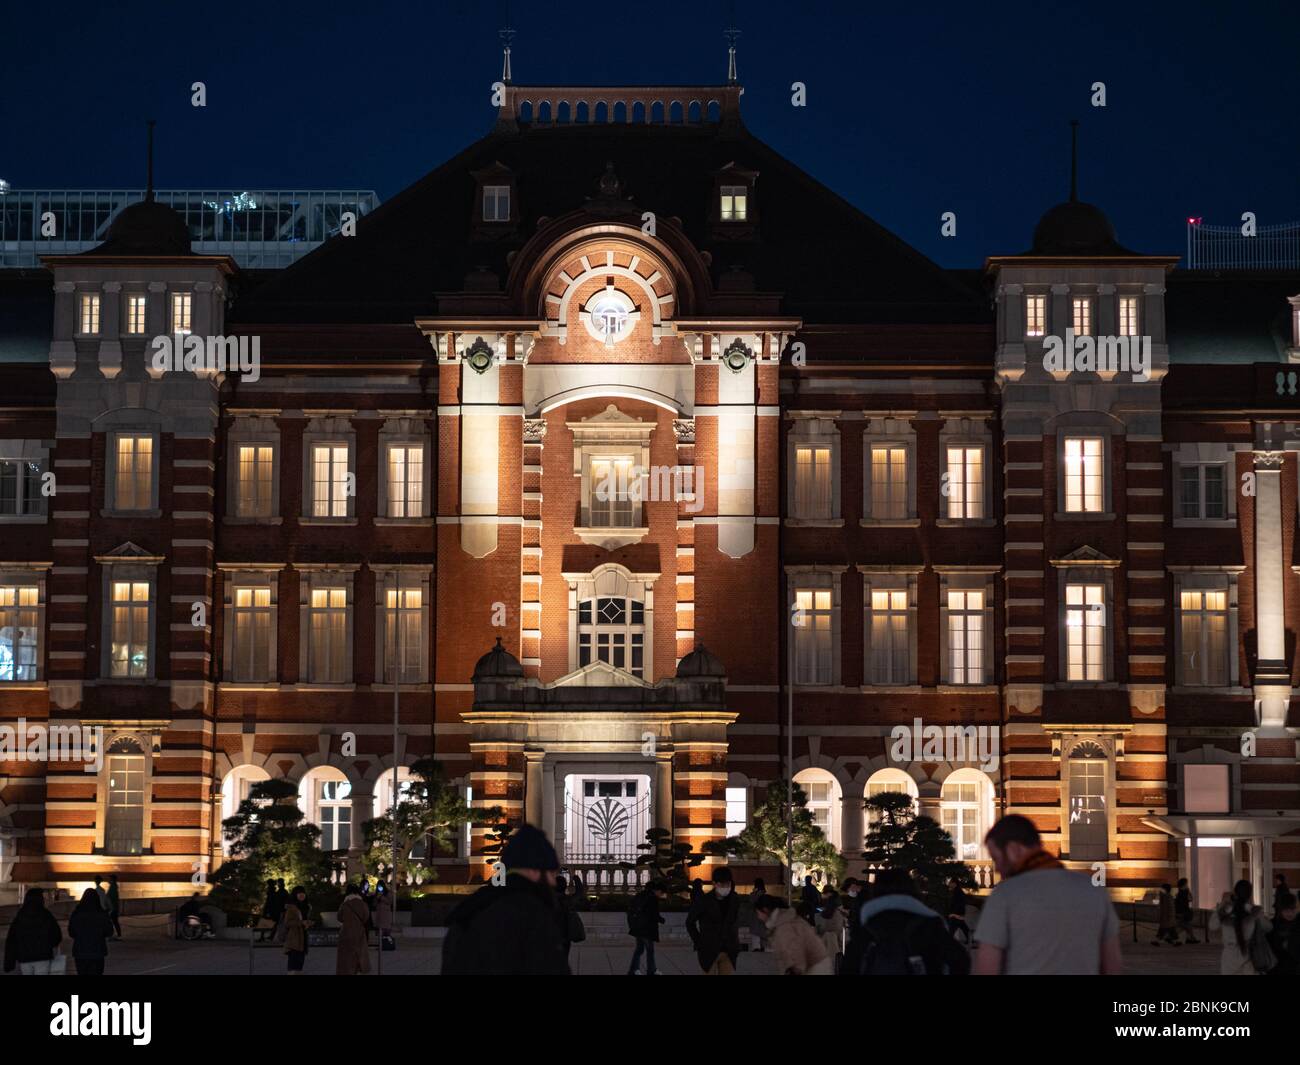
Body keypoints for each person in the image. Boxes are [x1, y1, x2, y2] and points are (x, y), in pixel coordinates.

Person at [973, 814, 1121, 975]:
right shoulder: (1094, 891)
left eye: (996, 858)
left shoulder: (1004, 895)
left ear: (1013, 849)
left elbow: (986, 967)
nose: (997, 868)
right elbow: (1112, 965)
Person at [441, 823, 570, 975]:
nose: (554, 881)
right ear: (534, 870)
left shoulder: (471, 908)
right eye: (552, 873)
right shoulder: (533, 915)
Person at [857, 870, 970, 975]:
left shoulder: (868, 923)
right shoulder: (929, 922)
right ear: (912, 888)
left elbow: (851, 963)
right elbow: (960, 959)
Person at [752, 895, 833, 975]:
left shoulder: (784, 925)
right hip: (812, 965)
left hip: (814, 967)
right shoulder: (781, 922)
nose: (758, 917)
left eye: (758, 913)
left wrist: (795, 970)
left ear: (765, 910)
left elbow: (795, 952)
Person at [685, 867, 742, 974]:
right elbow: (689, 922)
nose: (725, 887)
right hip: (709, 949)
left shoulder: (734, 899)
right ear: (714, 884)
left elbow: (734, 921)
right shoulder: (704, 900)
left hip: (729, 949)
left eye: (728, 884)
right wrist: (699, 942)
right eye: (722, 884)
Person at [1209, 880, 1271, 976]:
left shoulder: (1225, 910)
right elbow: (1268, 927)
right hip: (1248, 957)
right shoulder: (1253, 911)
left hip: (1229, 957)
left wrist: (1222, 904)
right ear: (1250, 894)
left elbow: (1212, 926)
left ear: (1234, 893)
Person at [4, 887, 63, 975]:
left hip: (24, 957)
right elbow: (56, 935)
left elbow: (12, 939)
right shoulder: (46, 915)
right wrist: (50, 945)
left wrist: (10, 960)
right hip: (42, 956)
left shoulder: (20, 916)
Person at [68, 888, 115, 976]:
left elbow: (71, 932)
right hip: (97, 952)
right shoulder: (101, 914)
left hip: (80, 952)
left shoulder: (77, 913)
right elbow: (109, 932)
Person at [627, 879, 667, 975]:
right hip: (647, 929)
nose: (661, 895)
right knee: (650, 951)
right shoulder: (652, 899)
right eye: (661, 893)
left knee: (639, 949)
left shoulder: (640, 896)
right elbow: (653, 914)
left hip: (637, 927)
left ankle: (634, 970)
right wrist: (662, 920)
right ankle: (651, 970)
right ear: (657, 890)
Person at [336, 884, 372, 975]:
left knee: (346, 958)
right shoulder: (362, 903)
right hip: (359, 933)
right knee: (359, 955)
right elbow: (366, 917)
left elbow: (339, 917)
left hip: (346, 933)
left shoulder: (344, 904)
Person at [815, 888, 846, 971]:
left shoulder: (820, 915)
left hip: (821, 949)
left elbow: (819, 930)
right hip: (835, 948)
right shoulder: (839, 915)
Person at [1268, 892, 1296, 975]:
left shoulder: (1297, 924)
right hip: (1278, 968)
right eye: (1286, 909)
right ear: (1280, 910)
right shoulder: (1272, 925)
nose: (1290, 913)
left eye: (1292, 909)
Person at [282, 890, 308, 975]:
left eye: (303, 894)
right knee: (293, 964)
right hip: (294, 939)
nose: (302, 896)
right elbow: (287, 923)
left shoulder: (305, 906)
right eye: (300, 894)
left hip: (303, 938)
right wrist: (301, 923)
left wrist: (309, 923)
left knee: (300, 963)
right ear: (295, 895)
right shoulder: (292, 908)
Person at [746, 877, 769, 952]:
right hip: (760, 919)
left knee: (756, 936)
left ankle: (758, 948)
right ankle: (760, 947)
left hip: (757, 919)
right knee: (760, 935)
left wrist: (754, 893)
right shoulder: (763, 894)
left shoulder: (757, 895)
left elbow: (753, 902)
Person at [946, 877, 972, 944]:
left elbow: (957, 903)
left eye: (950, 882)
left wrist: (953, 914)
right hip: (958, 914)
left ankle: (947, 942)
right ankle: (971, 940)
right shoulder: (957, 891)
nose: (949, 884)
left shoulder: (957, 892)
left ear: (954, 884)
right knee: (963, 927)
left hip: (956, 914)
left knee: (952, 929)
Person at [1174, 877, 1199, 944]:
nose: (1187, 885)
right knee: (1185, 926)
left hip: (1181, 912)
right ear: (1184, 885)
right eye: (1186, 884)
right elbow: (1190, 899)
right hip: (1183, 912)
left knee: (1186, 926)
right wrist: (1189, 891)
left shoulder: (1179, 893)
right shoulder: (1184, 893)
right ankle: (1191, 938)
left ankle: (1190, 939)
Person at [373, 882, 394, 951]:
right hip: (379, 915)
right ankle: (381, 946)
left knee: (386, 931)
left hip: (386, 915)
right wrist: (377, 898)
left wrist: (382, 897)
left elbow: (389, 902)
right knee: (380, 931)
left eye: (381, 886)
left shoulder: (388, 893)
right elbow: (374, 904)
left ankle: (387, 945)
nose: (379, 887)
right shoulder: (377, 894)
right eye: (378, 886)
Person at [106, 874, 123, 940]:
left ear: (112, 879)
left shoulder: (112, 887)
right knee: (115, 921)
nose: (108, 880)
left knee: (112, 921)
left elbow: (110, 897)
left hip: (112, 908)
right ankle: (118, 934)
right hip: (114, 907)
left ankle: (112, 934)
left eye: (109, 879)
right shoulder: (114, 886)